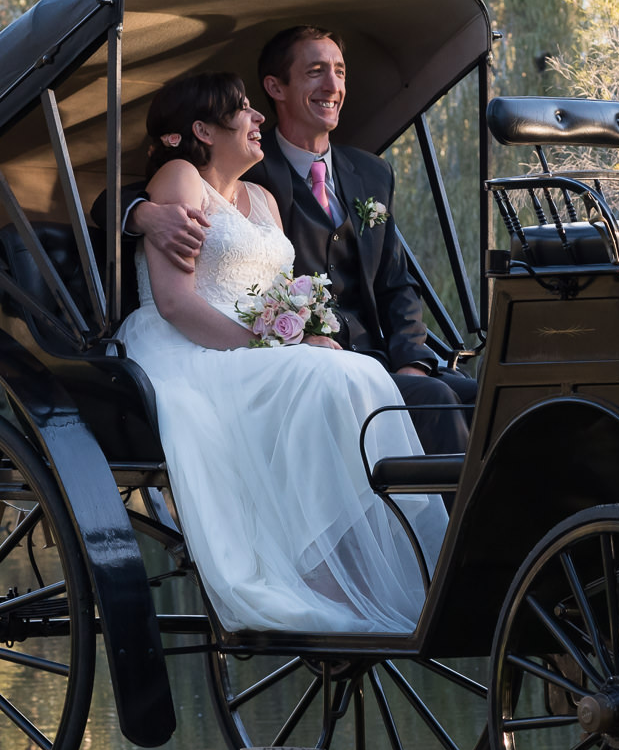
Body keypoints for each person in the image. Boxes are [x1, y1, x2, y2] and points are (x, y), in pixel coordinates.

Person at [113, 71, 443, 634]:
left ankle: (356, 559)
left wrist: (298, 333)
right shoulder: (179, 179)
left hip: (256, 345)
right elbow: (174, 303)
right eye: (243, 108)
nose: (259, 116)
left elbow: (281, 291)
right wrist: (268, 346)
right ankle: (316, 568)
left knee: (353, 371)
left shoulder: (264, 196)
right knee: (328, 377)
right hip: (187, 347)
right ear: (202, 129)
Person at [126, 26, 477, 454]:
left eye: (340, 72)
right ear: (276, 87)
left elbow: (396, 284)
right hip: (292, 361)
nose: (333, 86)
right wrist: (141, 213)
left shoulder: (371, 173)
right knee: (437, 405)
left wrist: (412, 363)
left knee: (486, 399)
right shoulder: (240, 166)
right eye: (315, 72)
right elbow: (127, 193)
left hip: (370, 358)